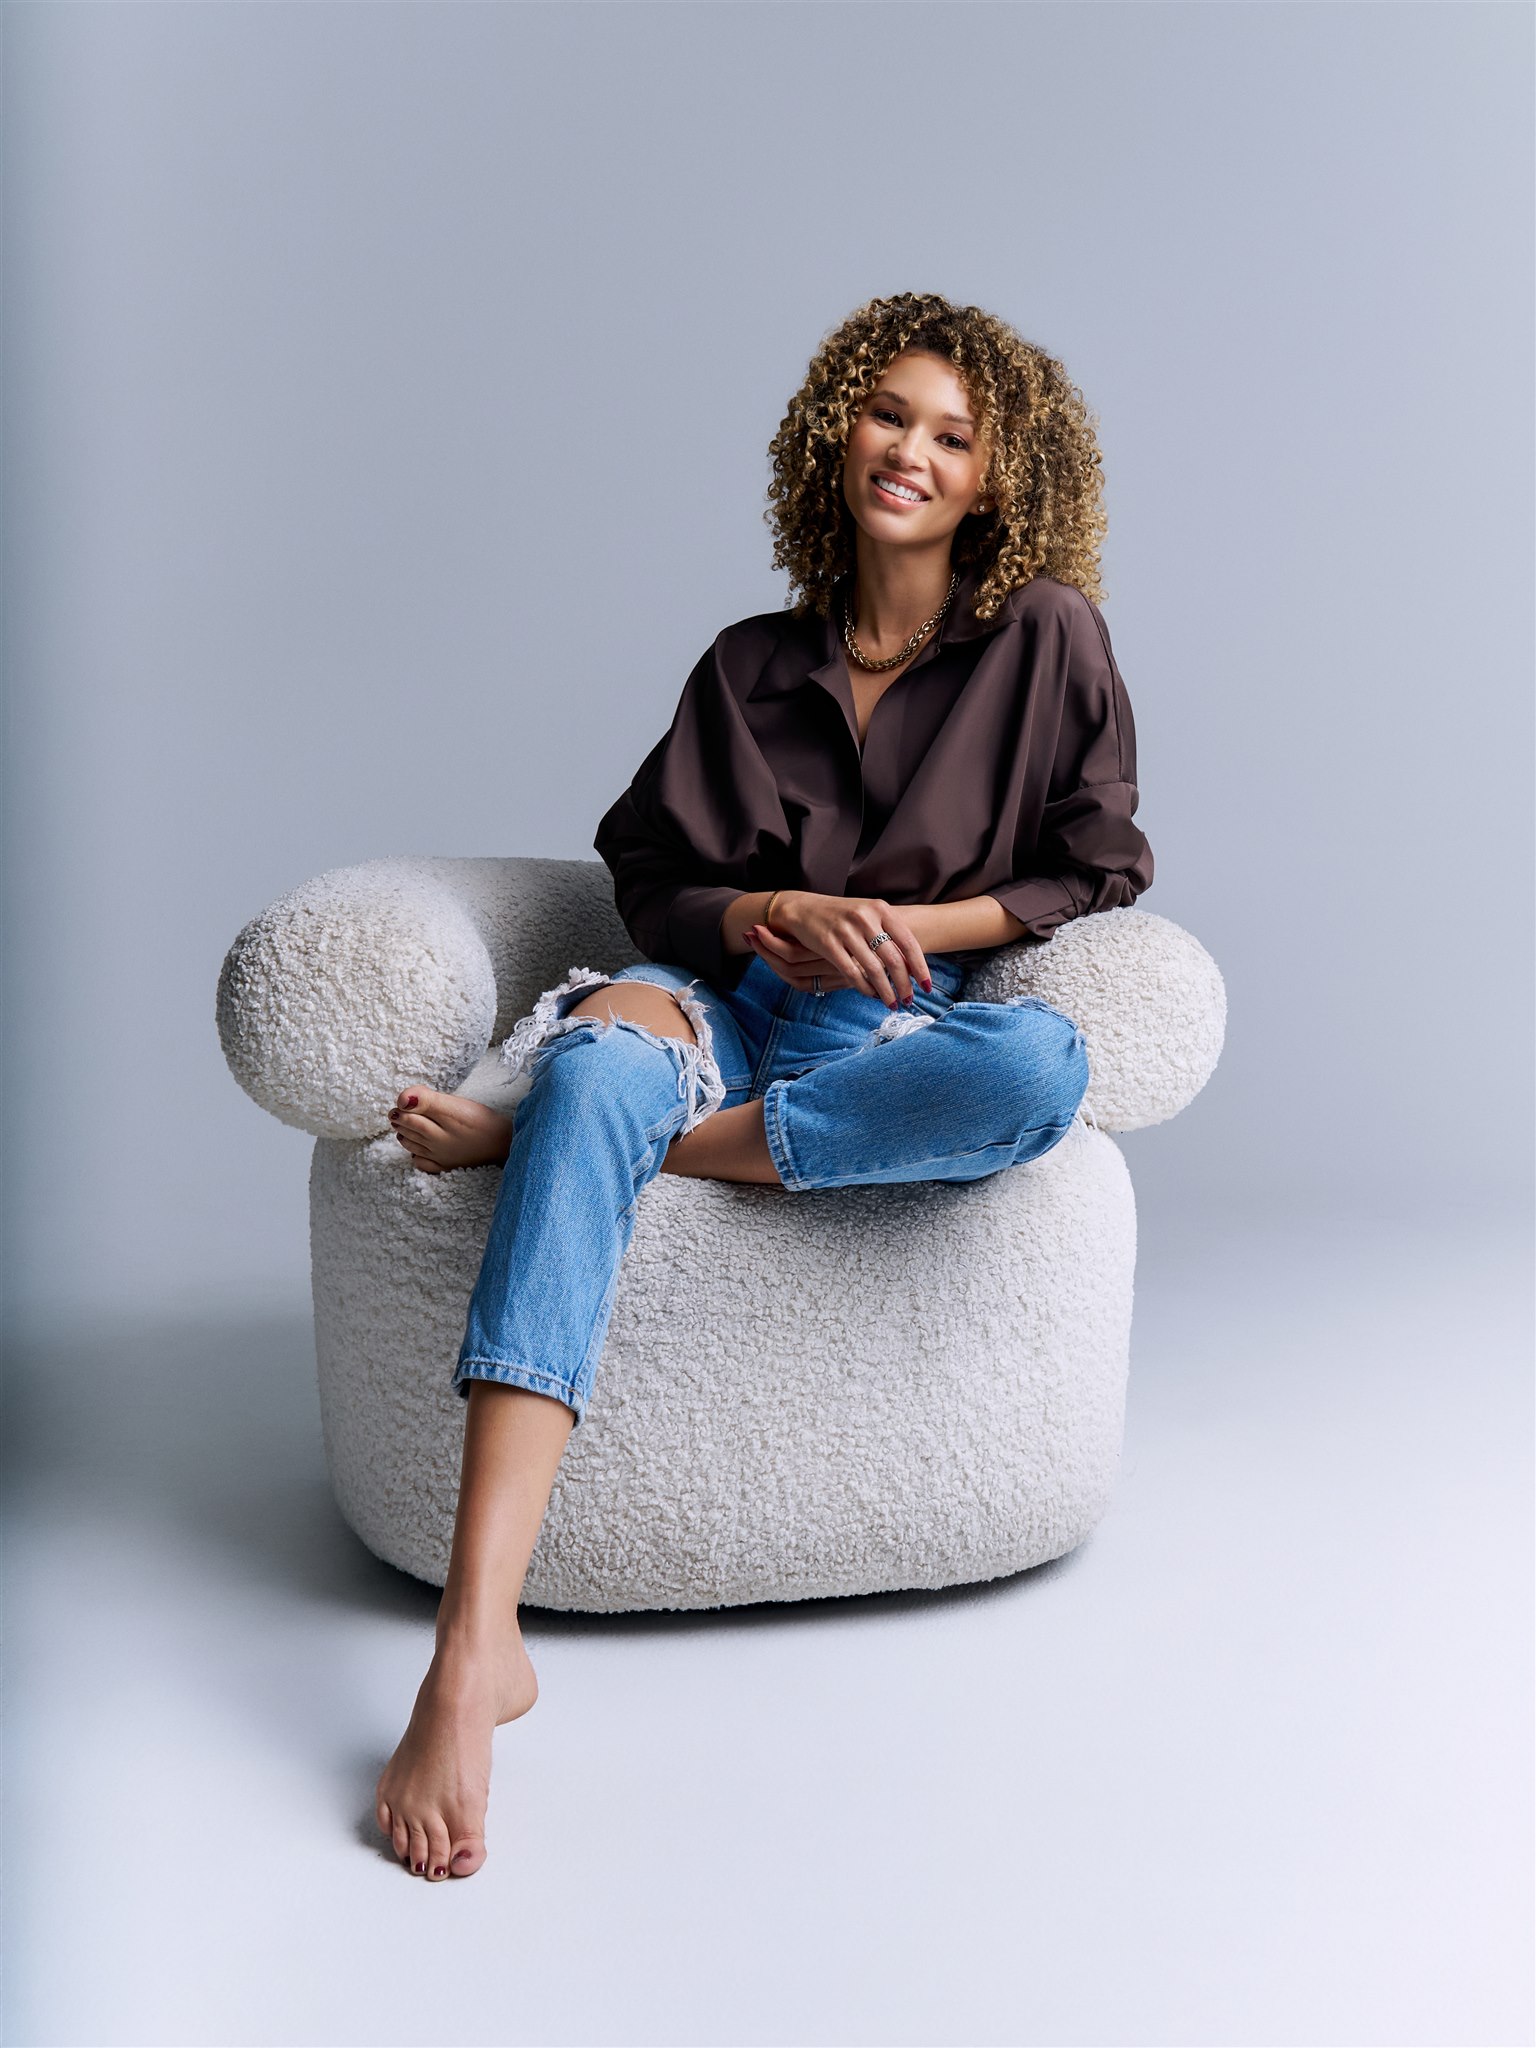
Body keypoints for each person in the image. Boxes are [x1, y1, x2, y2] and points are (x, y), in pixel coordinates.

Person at [373, 291, 1154, 1880]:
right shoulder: (746, 667)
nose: (913, 452)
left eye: (953, 434)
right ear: (834, 434)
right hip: (720, 997)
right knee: (615, 1052)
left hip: (888, 1022)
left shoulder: (1047, 637)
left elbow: (1098, 862)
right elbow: (649, 877)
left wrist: (883, 934)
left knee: (1046, 1066)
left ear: (998, 476)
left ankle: (583, 1142)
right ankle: (473, 1646)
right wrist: (767, 916)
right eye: (889, 417)